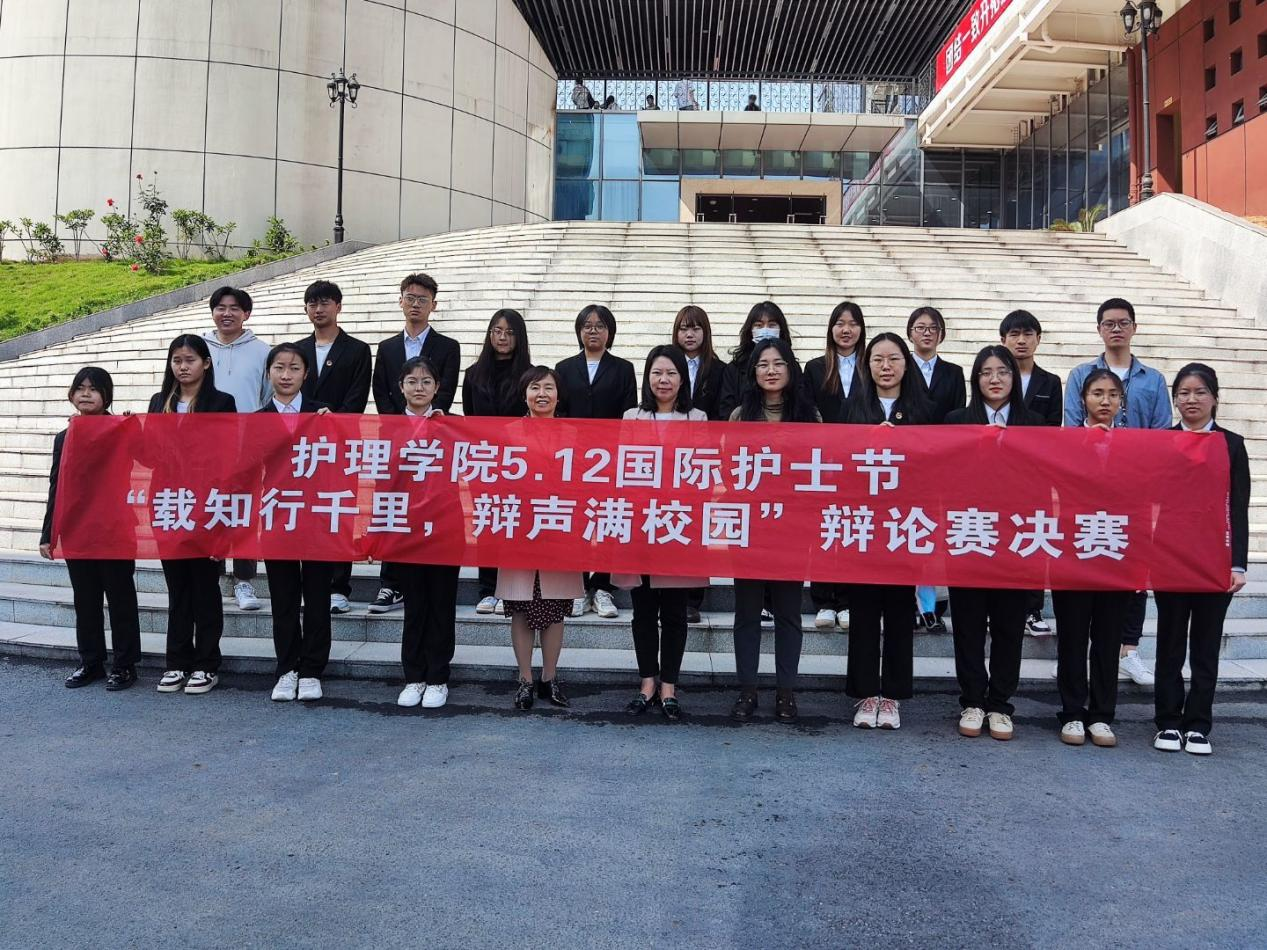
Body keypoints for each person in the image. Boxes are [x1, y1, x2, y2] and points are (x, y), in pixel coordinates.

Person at [1064, 297, 1171, 687]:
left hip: (1134, 490)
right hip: (1088, 490)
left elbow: (1161, 436)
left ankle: (1129, 648)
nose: (1116, 329)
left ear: (1134, 328)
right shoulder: (1081, 374)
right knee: (1089, 559)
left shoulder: (1153, 379)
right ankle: (1081, 650)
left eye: (1123, 322)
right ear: (1099, 329)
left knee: (1134, 568)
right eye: (1109, 323)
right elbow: (1071, 430)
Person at [1153, 363, 1250, 756]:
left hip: (1214, 561)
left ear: (1215, 397)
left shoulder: (1231, 444)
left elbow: (1238, 507)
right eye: (1183, 393)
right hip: (1171, 559)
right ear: (1174, 399)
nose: (1191, 400)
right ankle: (1167, 721)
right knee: (1170, 643)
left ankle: (1197, 725)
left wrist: (1238, 564)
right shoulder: (1162, 442)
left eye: (1199, 392)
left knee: (1205, 646)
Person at [945, 346, 1039, 740]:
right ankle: (972, 700)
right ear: (976, 379)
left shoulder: (1034, 425)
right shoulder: (956, 422)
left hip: (1015, 539)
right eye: (986, 372)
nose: (995, 379)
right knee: (967, 625)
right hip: (968, 533)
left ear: (1014, 378)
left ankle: (1000, 703)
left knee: (1008, 627)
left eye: (1003, 371)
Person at [728, 338, 820, 724]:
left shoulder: (808, 416)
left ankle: (786, 692)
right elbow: (729, 470)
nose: (770, 370)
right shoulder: (740, 416)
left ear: (790, 369)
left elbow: (818, 470)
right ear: (753, 372)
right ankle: (747, 689)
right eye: (763, 364)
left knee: (788, 614)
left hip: (791, 529)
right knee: (747, 614)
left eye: (778, 363)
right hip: (750, 527)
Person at [614, 346, 708, 722]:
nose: (663, 380)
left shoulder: (697, 418)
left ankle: (669, 685)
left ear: (682, 379)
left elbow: (701, 470)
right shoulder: (631, 416)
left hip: (677, 525)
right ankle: (647, 682)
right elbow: (622, 468)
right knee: (642, 611)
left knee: (674, 612)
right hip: (640, 523)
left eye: (670, 373)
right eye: (657, 373)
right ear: (647, 378)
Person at [845, 332, 930, 730]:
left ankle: (892, 696)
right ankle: (865, 693)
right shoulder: (853, 408)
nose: (885, 366)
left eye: (893, 358)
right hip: (864, 521)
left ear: (906, 364)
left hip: (904, 523)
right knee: (863, 612)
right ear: (867, 365)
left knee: (898, 612)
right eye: (877, 359)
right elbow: (839, 461)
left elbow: (936, 462)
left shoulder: (923, 410)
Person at [147, 334, 237, 696]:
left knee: (204, 589)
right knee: (178, 589)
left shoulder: (221, 402)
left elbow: (229, 458)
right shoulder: (160, 402)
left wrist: (223, 516)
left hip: (206, 505)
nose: (182, 367)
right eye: (176, 361)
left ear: (206, 363)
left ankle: (206, 664)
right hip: (169, 505)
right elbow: (149, 455)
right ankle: (177, 662)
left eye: (189, 360)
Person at [40, 367, 141, 691]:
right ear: (71, 395)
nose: (86, 394)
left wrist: (135, 429)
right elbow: (57, 484)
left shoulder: (121, 429)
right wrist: (48, 533)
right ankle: (91, 663)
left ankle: (125, 665)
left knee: (120, 599)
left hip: (114, 528)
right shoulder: (64, 437)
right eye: (80, 388)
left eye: (94, 389)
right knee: (86, 601)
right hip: (78, 529)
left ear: (106, 396)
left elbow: (148, 458)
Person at [369, 273, 460, 614]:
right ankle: (390, 583)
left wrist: (425, 426)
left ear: (433, 305)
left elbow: (446, 390)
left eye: (423, 299)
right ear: (401, 301)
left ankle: (425, 574)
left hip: (433, 443)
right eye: (410, 297)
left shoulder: (448, 346)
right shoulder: (387, 347)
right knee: (393, 505)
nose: (416, 304)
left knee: (428, 506)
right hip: (396, 440)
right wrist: (401, 425)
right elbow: (381, 390)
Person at [1054, 369, 1133, 748]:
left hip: (1115, 550)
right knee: (1072, 636)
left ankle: (1101, 714)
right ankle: (1072, 711)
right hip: (1074, 550)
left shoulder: (1135, 446)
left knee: (1107, 638)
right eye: (1097, 393)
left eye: (1112, 394)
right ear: (1083, 399)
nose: (1105, 401)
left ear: (1121, 402)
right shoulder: (1066, 443)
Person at [497, 366, 584, 710]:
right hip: (519, 528)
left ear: (559, 396)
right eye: (535, 387)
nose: (542, 394)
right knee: (520, 606)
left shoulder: (574, 434)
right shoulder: (507, 432)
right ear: (525, 394)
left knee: (555, 606)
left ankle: (549, 677)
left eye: (549, 388)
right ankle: (525, 680)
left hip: (558, 527)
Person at [257, 343, 334, 703]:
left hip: (317, 516)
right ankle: (287, 668)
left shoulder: (323, 415)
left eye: (294, 368)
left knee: (318, 596)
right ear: (268, 373)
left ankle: (313, 669)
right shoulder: (257, 419)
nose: (286, 375)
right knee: (283, 598)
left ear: (306, 374)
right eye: (279, 367)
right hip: (277, 516)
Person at [294, 279, 372, 616]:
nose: (318, 309)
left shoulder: (356, 350)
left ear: (338, 306)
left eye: (325, 302)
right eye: (313, 303)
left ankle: (339, 586)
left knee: (339, 511)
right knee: (305, 512)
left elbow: (357, 397)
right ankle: (309, 585)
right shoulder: (297, 350)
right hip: (303, 446)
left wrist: (331, 419)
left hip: (342, 443)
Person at [554, 304, 637, 619]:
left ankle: (602, 587)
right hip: (573, 458)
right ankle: (577, 586)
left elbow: (628, 414)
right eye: (587, 325)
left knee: (607, 519)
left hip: (609, 459)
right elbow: (559, 412)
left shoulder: (623, 368)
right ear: (579, 331)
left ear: (609, 332)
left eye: (600, 325)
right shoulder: (564, 368)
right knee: (576, 520)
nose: (593, 330)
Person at [392, 356, 461, 710]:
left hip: (445, 527)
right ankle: (414, 676)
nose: (419, 388)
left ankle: (437, 677)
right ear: (401, 387)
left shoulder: (453, 426)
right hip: (406, 527)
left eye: (426, 381)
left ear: (437, 388)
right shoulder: (389, 427)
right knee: (414, 604)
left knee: (441, 604)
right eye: (412, 381)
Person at [202, 286, 270, 612]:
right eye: (220, 307)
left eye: (234, 308)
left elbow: (268, 397)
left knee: (245, 512)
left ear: (246, 314)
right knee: (209, 509)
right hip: (205, 449)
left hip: (247, 446)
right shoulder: (198, 349)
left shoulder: (263, 352)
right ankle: (211, 577)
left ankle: (244, 580)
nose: (226, 313)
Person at [462, 309, 532, 614]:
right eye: (497, 331)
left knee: (515, 521)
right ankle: (488, 589)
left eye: (509, 332)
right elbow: (469, 416)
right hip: (485, 460)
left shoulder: (529, 374)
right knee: (487, 522)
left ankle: (511, 587)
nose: (502, 338)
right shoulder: (473, 374)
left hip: (518, 461)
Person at [803, 301, 867, 632]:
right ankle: (825, 600)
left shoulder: (872, 365)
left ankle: (847, 600)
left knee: (853, 527)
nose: (846, 329)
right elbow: (807, 410)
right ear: (830, 329)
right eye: (840, 323)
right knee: (825, 528)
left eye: (853, 323)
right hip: (824, 460)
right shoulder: (815, 368)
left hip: (861, 461)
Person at [999, 309, 1062, 635]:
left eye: (1027, 334)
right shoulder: (995, 376)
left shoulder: (1049, 382)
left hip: (1034, 474)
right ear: (1003, 340)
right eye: (1014, 335)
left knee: (1034, 537)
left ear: (1038, 339)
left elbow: (1052, 429)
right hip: (998, 476)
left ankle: (1032, 609)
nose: (1021, 341)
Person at [906, 306, 964, 633]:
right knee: (910, 530)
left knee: (935, 534)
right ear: (910, 333)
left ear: (941, 334)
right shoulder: (899, 366)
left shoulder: (953, 373)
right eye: (920, 327)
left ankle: (932, 607)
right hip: (907, 464)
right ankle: (912, 604)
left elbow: (958, 418)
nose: (926, 333)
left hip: (942, 464)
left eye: (933, 328)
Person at [672, 305, 726, 624]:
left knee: (696, 526)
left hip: (703, 457)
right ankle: (670, 591)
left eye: (695, 328)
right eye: (683, 328)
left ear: (705, 333)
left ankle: (693, 598)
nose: (689, 334)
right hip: (670, 458)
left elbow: (723, 414)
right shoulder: (667, 366)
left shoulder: (719, 370)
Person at [718, 300, 793, 421]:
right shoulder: (734, 368)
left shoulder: (791, 365)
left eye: (772, 325)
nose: (765, 330)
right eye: (759, 325)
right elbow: (726, 410)